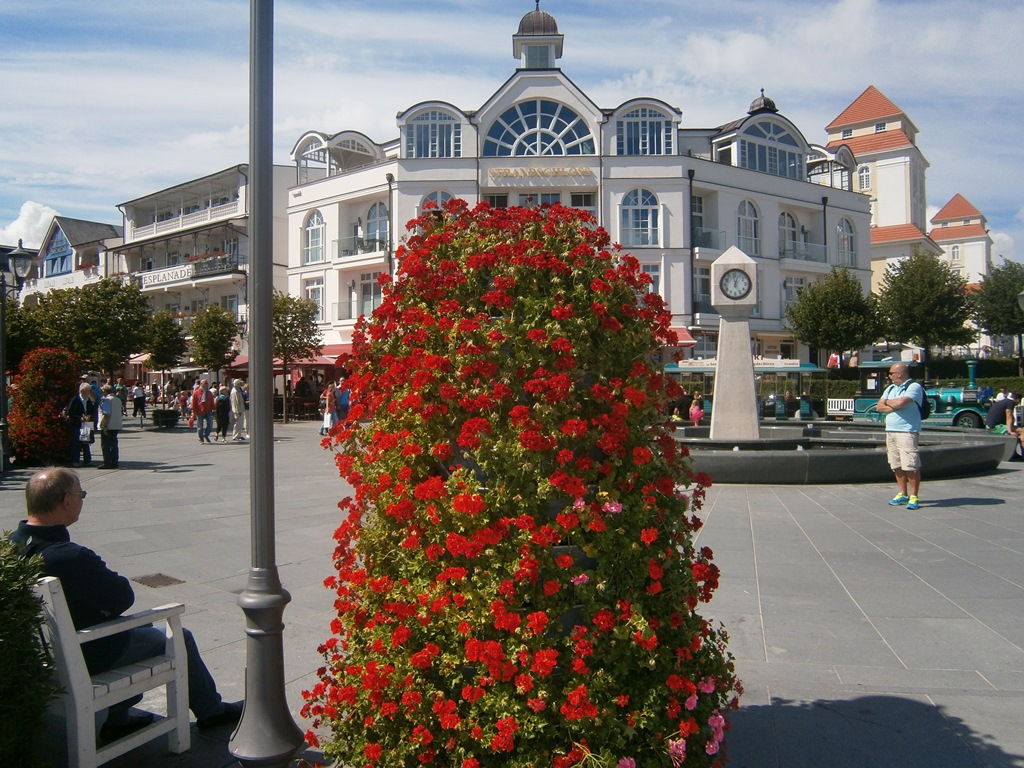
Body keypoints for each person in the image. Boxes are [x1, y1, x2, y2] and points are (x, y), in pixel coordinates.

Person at [10, 468, 242, 743]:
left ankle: (119, 719)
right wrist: (103, 609)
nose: (82, 500)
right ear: (67, 501)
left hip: (41, 657)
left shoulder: (12, 545)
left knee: (136, 628)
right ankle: (211, 711)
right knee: (178, 636)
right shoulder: (69, 557)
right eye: (80, 494)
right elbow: (123, 597)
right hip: (86, 656)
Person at [876, 362, 924, 510]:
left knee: (910, 464)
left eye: (891, 373)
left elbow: (900, 403)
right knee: (895, 464)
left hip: (907, 431)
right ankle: (902, 493)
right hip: (891, 430)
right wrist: (892, 403)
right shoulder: (891, 388)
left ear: (899, 373)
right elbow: (879, 407)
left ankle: (914, 496)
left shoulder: (914, 387)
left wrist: (888, 403)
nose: (889, 376)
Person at [66, 382, 97, 467]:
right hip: (77, 424)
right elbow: (70, 412)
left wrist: (89, 416)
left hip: (86, 424)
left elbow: (91, 410)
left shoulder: (88, 400)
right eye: (88, 391)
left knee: (86, 442)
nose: (89, 392)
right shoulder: (75, 400)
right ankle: (75, 460)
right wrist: (80, 418)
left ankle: (87, 460)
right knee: (76, 442)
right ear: (82, 391)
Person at [97, 384, 123, 469]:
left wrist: (104, 426)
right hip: (116, 424)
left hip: (108, 425)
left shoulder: (107, 400)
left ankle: (107, 462)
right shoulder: (118, 399)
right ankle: (115, 462)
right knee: (114, 444)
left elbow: (107, 414)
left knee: (105, 445)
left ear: (104, 391)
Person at [191, 379, 216, 444]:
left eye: (207, 383)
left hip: (208, 410)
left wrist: (213, 408)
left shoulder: (209, 392)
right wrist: (193, 410)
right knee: (200, 426)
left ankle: (206, 434)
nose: (207, 385)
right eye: (205, 383)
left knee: (210, 424)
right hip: (199, 411)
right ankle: (201, 439)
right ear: (201, 384)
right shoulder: (196, 392)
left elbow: (211, 401)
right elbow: (193, 402)